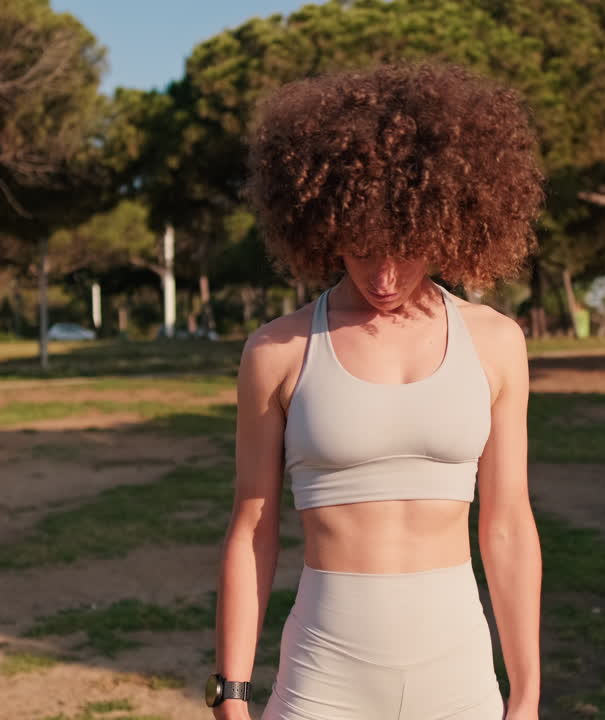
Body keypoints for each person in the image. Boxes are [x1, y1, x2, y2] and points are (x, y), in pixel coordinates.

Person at [208, 62, 544, 720]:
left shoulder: (497, 343)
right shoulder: (279, 351)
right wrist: (232, 688)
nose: (384, 276)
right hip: (321, 680)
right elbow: (253, 529)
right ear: (326, 225)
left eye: (406, 248)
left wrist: (526, 693)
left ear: (444, 225)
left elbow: (506, 527)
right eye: (362, 249)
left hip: (460, 677)